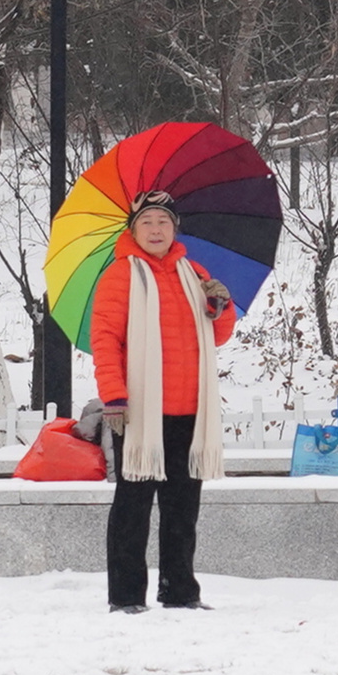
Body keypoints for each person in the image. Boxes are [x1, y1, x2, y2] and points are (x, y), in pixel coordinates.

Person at [88, 191, 238, 611]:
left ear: (175, 229)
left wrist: (220, 306)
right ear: (133, 230)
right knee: (133, 508)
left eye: (163, 222)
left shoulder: (195, 273)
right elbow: (105, 339)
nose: (156, 230)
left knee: (182, 509)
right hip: (139, 412)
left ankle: (180, 592)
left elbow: (218, 335)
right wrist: (114, 396)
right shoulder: (120, 276)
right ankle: (126, 596)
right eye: (147, 222)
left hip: (190, 408)